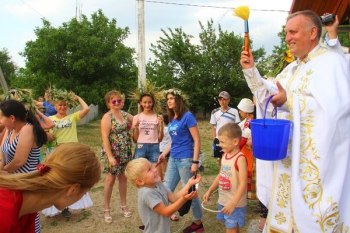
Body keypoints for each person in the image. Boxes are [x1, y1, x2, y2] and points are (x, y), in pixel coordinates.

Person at [240, 10, 350, 232]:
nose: (287, 38)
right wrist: (251, 71)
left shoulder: (332, 63)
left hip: (316, 165)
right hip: (287, 161)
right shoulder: (291, 69)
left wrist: (290, 101)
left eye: (293, 32)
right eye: (286, 32)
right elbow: (268, 99)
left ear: (312, 32)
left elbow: (338, 110)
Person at [0, 142, 101, 233]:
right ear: (72, 190)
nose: (82, 197)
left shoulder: (29, 207)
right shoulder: (4, 215)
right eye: (85, 193)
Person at [158, 88, 204, 233]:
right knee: (165, 188)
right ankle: (160, 218)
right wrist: (164, 153)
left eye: (171, 98)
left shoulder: (188, 116)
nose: (169, 101)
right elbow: (173, 140)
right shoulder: (173, 118)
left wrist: (195, 162)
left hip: (186, 159)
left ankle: (197, 223)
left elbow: (197, 140)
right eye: (167, 99)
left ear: (179, 100)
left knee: (190, 191)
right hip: (173, 158)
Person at [0, 99, 48, 233]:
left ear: (12, 118)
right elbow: (2, 153)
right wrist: (2, 170)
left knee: (27, 220)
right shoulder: (10, 130)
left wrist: (3, 173)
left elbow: (19, 161)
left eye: (1, 117)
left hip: (26, 182)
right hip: (13, 181)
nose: (0, 120)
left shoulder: (27, 129)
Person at [42, 93, 92, 218]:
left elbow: (86, 109)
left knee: (71, 178)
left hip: (71, 151)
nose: (62, 107)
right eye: (60, 105)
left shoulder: (72, 117)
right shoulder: (51, 119)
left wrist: (77, 97)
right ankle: (57, 205)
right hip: (56, 152)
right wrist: (48, 136)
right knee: (57, 179)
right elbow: (44, 134)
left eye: (65, 105)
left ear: (67, 106)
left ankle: (68, 205)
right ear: (55, 106)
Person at [125, 158, 201, 233]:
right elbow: (166, 212)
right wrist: (183, 199)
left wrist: (189, 184)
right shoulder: (147, 193)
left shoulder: (158, 184)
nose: (155, 169)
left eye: (152, 166)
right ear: (140, 181)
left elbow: (173, 198)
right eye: (149, 170)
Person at [203, 122, 247, 233]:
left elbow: (243, 183)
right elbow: (220, 175)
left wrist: (233, 203)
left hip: (234, 203)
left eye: (222, 142)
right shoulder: (225, 155)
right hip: (224, 200)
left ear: (235, 141)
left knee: (230, 229)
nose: (220, 145)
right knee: (233, 227)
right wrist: (210, 190)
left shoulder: (240, 158)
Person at [100, 90, 134, 223]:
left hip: (125, 151)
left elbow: (138, 120)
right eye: (113, 101)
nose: (117, 103)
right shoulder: (107, 117)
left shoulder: (125, 114)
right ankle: (107, 209)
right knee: (110, 180)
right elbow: (105, 138)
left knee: (123, 179)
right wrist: (110, 157)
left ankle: (124, 205)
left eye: (119, 100)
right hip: (113, 153)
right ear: (108, 103)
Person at [210, 91, 240, 168]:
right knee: (220, 158)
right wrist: (214, 139)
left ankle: (231, 174)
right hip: (219, 139)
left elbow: (237, 126)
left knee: (231, 157)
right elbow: (213, 127)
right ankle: (221, 176)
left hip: (230, 139)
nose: (222, 101)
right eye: (220, 99)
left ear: (228, 100)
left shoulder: (234, 111)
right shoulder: (214, 112)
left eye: (224, 99)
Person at [132, 93, 164, 164]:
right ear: (140, 103)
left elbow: (160, 139)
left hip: (154, 147)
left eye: (149, 102)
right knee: (139, 171)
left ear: (153, 103)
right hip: (140, 147)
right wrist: (136, 127)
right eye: (145, 102)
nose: (147, 105)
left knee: (154, 171)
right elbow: (135, 139)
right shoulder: (136, 117)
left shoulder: (158, 117)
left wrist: (161, 125)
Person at [237, 99, 256, 199]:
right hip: (245, 151)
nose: (239, 111)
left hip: (250, 152)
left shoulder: (251, 123)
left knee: (249, 173)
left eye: (241, 110)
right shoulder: (244, 122)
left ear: (246, 111)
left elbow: (244, 139)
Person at [158, 113, 171, 181]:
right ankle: (168, 173)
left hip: (162, 148)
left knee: (164, 163)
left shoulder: (162, 129)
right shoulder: (170, 128)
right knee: (168, 161)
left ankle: (165, 174)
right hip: (169, 148)